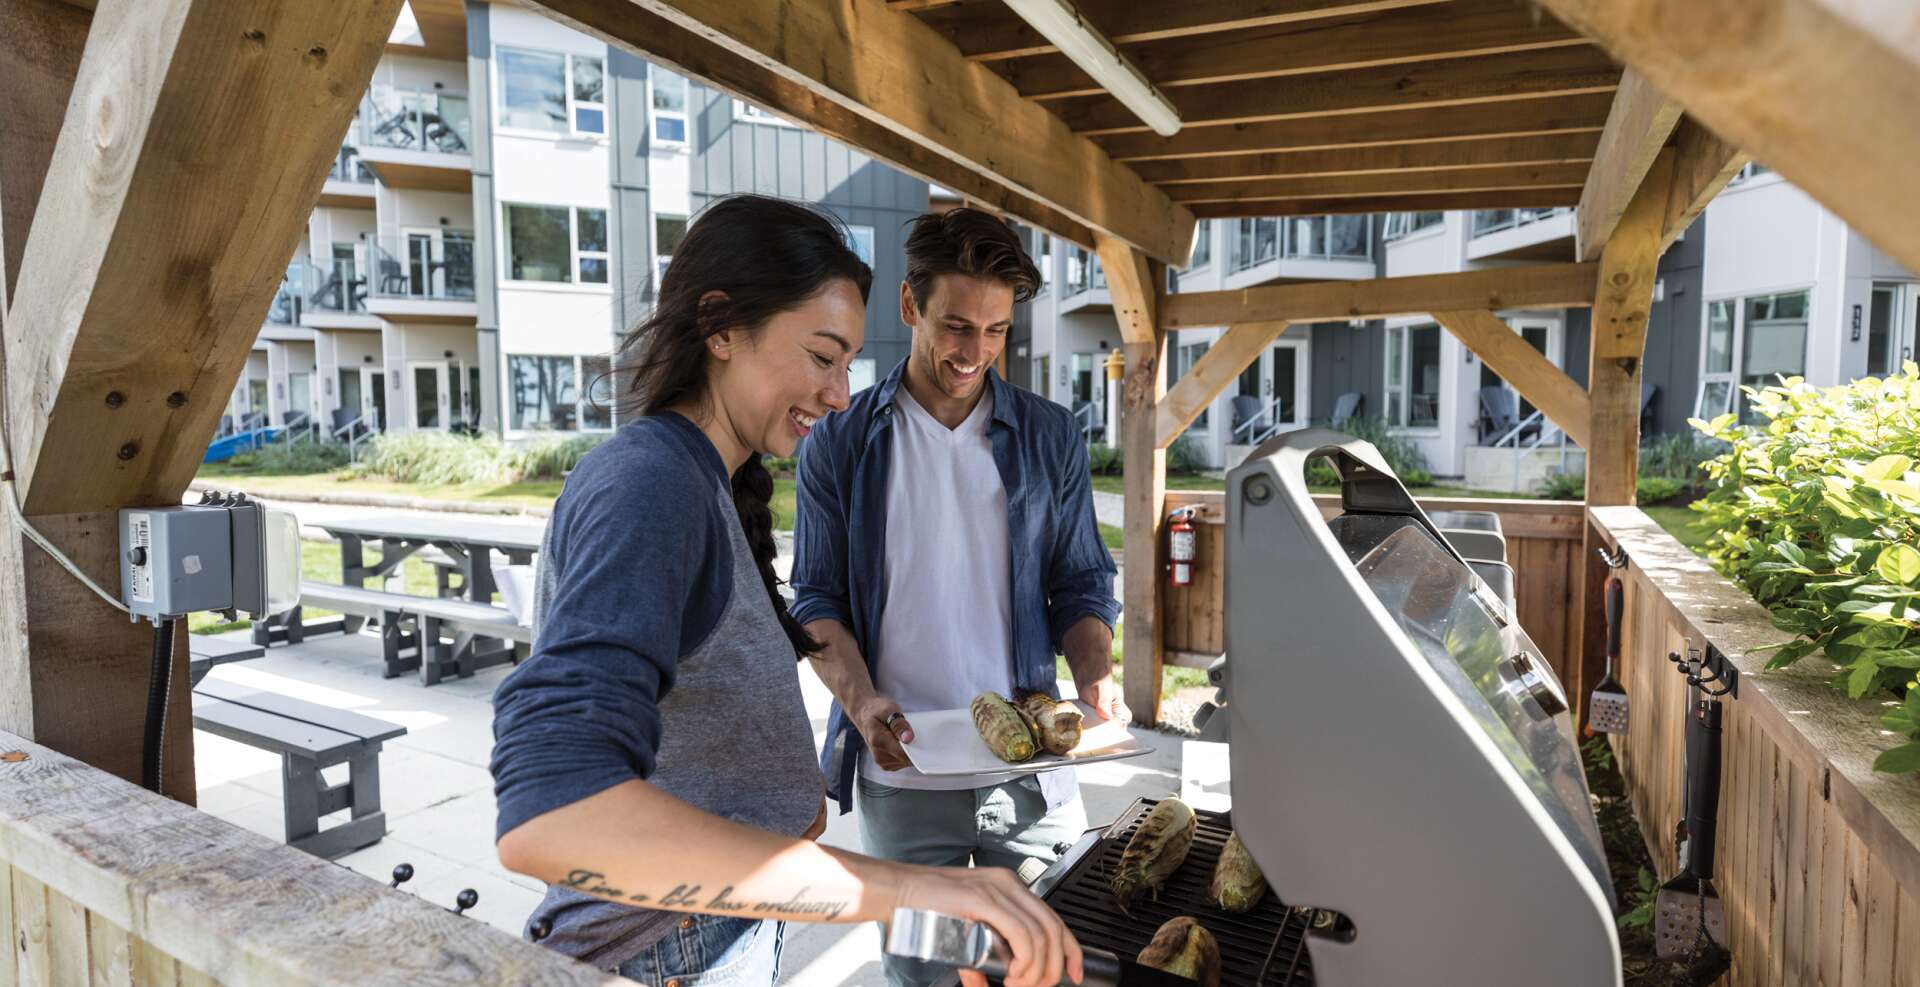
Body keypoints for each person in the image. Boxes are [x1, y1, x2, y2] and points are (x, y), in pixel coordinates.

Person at [490, 194, 1084, 987]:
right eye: (821, 355)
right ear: (722, 326)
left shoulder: (707, 481)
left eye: (846, 365)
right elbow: (551, 815)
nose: (840, 393)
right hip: (671, 949)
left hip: (719, 934)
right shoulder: (650, 483)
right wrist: (910, 886)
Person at [792, 208, 1123, 987]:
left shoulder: (1049, 435)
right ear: (910, 305)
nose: (975, 351)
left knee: (1051, 970)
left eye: (997, 330)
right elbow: (816, 599)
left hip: (1031, 780)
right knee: (926, 976)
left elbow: (1080, 581)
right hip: (904, 782)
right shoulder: (840, 442)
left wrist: (1095, 679)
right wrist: (861, 701)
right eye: (956, 325)